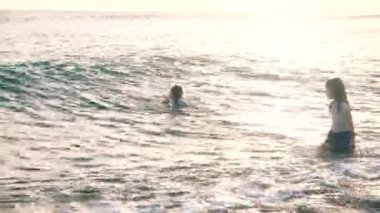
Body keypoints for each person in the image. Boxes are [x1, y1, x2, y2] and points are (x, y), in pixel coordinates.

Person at [323, 78, 355, 152]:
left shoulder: (344, 106)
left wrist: (352, 140)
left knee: (339, 156)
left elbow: (350, 123)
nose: (326, 92)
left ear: (334, 90)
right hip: (333, 134)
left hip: (343, 136)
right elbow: (335, 123)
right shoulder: (332, 105)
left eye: (328, 90)